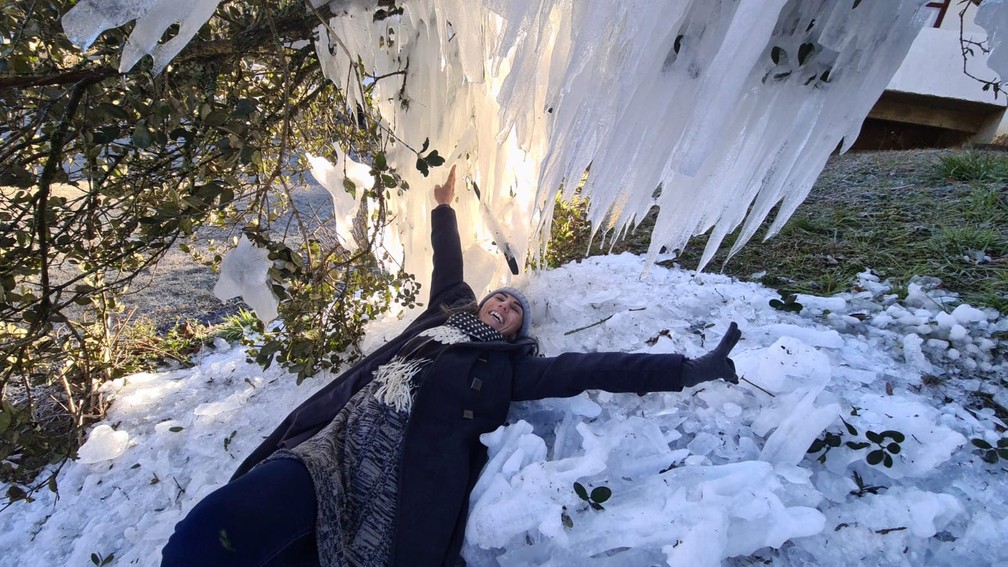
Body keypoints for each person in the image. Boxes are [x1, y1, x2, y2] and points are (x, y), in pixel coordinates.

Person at [161, 164, 742, 567]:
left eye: (516, 311)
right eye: (501, 298)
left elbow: (595, 368)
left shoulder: (509, 370)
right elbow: (448, 259)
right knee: (204, 538)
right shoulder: (446, 310)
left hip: (395, 476)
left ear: (518, 334)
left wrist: (688, 368)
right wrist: (443, 206)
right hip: (328, 444)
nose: (505, 304)